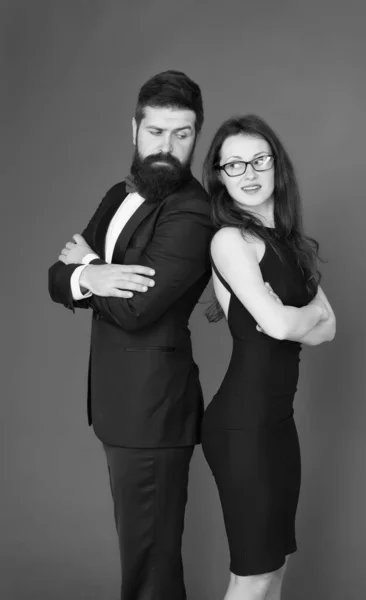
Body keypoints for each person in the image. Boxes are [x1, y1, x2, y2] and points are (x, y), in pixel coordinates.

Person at [48, 70, 213, 600]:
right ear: (135, 130)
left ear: (196, 136)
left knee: (151, 569)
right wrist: (89, 275)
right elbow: (57, 276)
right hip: (119, 408)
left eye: (182, 134)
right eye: (157, 131)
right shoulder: (118, 193)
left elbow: (139, 310)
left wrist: (88, 265)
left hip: (154, 413)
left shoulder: (193, 212)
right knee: (143, 559)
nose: (168, 146)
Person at [201, 115, 336, 600]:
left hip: (278, 425)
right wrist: (303, 317)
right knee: (253, 576)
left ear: (277, 165)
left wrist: (293, 318)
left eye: (259, 159)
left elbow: (330, 327)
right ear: (219, 175)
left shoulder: (290, 244)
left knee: (273, 570)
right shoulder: (230, 240)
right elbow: (286, 326)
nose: (249, 172)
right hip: (242, 427)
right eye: (233, 164)